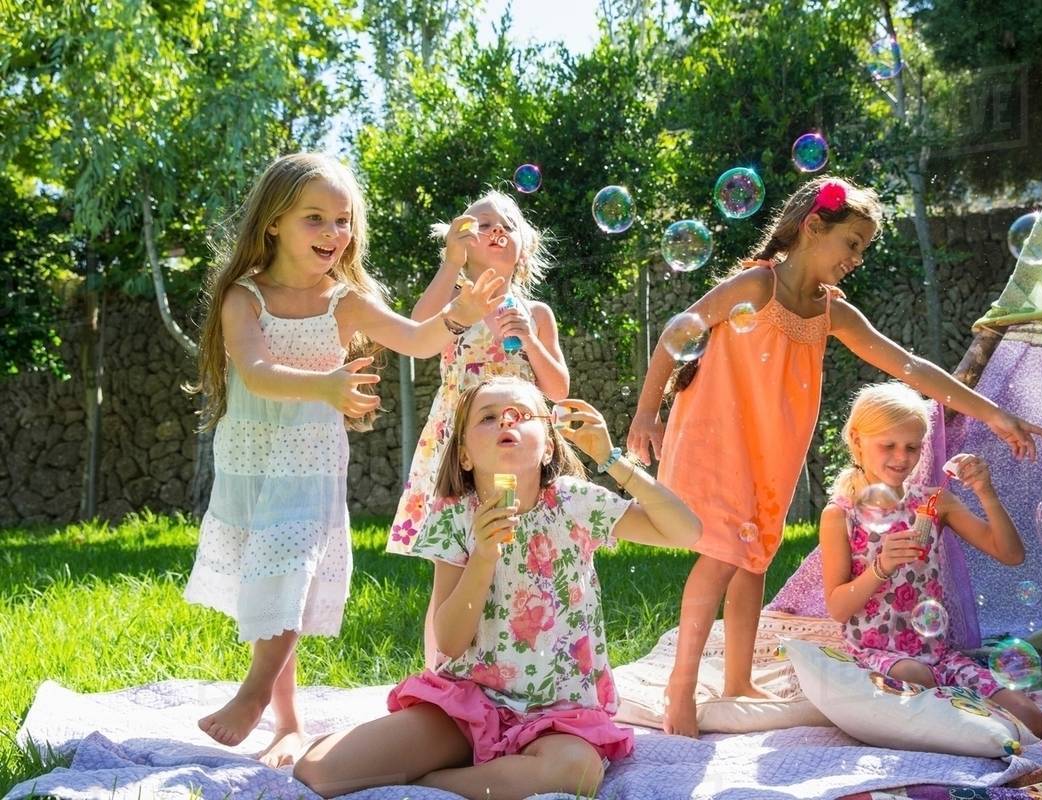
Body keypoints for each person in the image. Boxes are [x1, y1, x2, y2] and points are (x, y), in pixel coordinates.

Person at [627, 176, 1042, 737]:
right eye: (852, 243)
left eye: (863, 248)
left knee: (755, 554)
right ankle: (679, 691)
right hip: (717, 435)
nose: (857, 258)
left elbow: (910, 367)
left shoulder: (831, 312)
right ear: (812, 227)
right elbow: (677, 332)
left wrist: (994, 413)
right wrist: (644, 413)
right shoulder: (756, 285)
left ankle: (735, 682)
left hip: (772, 445)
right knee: (725, 553)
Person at [183, 152, 504, 765]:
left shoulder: (343, 300)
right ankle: (288, 721)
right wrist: (326, 385)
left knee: (293, 568)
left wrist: (459, 314)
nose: (335, 234)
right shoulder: (243, 297)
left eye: (343, 220)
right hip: (253, 454)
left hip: (310, 458)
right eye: (316, 219)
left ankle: (253, 695)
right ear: (273, 221)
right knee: (271, 582)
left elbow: (415, 339)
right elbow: (254, 371)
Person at [293, 376, 701, 798]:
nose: (506, 420)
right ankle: (483, 767)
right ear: (465, 455)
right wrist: (483, 556)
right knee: (319, 771)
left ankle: (434, 781)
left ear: (547, 445)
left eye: (521, 414)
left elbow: (685, 532)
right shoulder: (455, 517)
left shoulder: (574, 503)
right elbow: (449, 641)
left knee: (578, 772)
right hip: (469, 705)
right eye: (488, 417)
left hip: (557, 715)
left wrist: (612, 459)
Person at [389, 190, 569, 671]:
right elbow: (415, 336)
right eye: (480, 224)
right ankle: (437, 675)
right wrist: (449, 265)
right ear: (462, 241)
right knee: (453, 560)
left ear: (523, 247)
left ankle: (515, 666)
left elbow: (557, 387)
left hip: (515, 446)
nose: (496, 231)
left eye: (507, 225)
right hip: (459, 445)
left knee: (518, 555)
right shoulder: (454, 305)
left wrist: (529, 338)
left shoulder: (537, 314)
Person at [819, 381, 1042, 738]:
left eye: (912, 447)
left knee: (1033, 722)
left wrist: (985, 493)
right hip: (878, 655)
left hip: (938, 655)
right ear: (856, 440)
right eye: (888, 445)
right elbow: (837, 608)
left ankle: (956, 720)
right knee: (914, 677)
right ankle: (958, 722)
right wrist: (879, 568)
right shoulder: (841, 515)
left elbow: (1011, 554)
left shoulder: (932, 503)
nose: (901, 457)